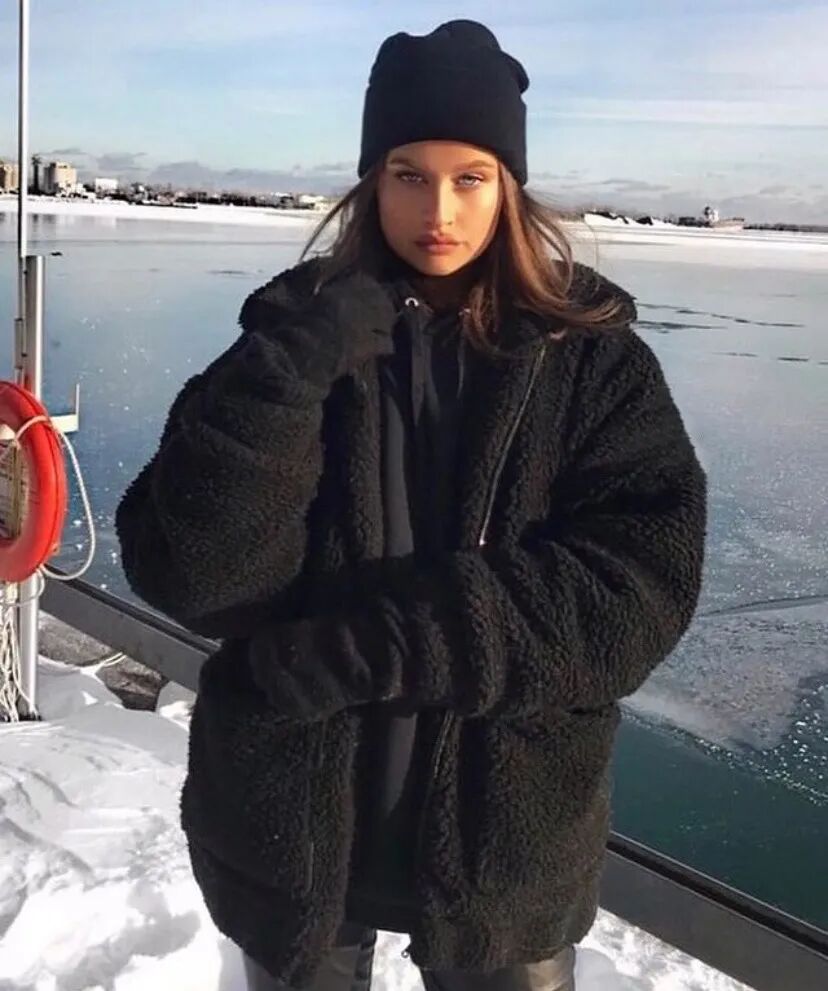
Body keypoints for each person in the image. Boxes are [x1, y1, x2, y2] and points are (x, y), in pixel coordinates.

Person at [115, 19, 707, 991]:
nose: (439, 208)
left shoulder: (593, 361)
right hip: (289, 828)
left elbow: (632, 596)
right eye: (407, 174)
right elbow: (191, 575)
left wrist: (364, 649)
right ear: (370, 182)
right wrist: (285, 378)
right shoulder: (290, 336)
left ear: (508, 187)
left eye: (470, 177)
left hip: (505, 848)